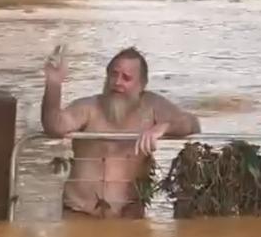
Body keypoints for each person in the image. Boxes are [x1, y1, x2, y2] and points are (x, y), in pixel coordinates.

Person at [41, 47, 201, 219]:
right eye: (113, 75)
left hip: (130, 214)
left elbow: (192, 124)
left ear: (141, 85)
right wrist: (53, 84)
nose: (117, 82)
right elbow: (54, 126)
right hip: (80, 211)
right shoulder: (89, 107)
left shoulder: (152, 105)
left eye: (126, 78)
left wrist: (164, 127)